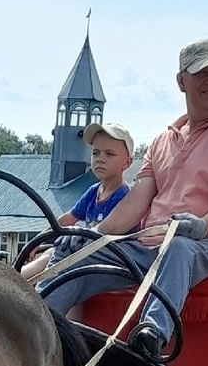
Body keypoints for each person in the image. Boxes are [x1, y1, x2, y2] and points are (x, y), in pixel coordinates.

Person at [36, 38, 208, 362]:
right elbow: (136, 202)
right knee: (80, 258)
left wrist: (199, 226)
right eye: (203, 74)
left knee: (179, 247)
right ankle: (29, 328)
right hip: (146, 245)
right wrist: (93, 238)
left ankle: (152, 335)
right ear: (182, 80)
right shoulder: (162, 140)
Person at [18, 121, 134, 285]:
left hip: (105, 261)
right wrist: (38, 240)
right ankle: (14, 279)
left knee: (59, 262)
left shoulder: (125, 197)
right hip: (81, 254)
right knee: (50, 253)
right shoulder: (94, 191)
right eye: (96, 153)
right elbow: (67, 219)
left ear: (127, 163)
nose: (100, 159)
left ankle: (13, 282)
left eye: (109, 154)